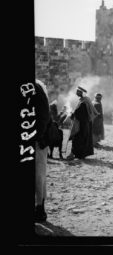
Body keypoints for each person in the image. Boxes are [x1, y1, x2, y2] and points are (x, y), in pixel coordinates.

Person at [32, 80, 51, 222]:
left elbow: (44, 115)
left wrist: (37, 136)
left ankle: (39, 208)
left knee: (38, 175)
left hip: (36, 141)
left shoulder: (36, 88)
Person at [67, 86, 99, 160]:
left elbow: (80, 113)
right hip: (85, 124)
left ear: (82, 93)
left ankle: (74, 154)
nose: (76, 92)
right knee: (82, 139)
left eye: (78, 91)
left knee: (77, 139)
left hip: (81, 124)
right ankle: (81, 154)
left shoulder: (84, 102)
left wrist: (72, 114)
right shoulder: (84, 100)